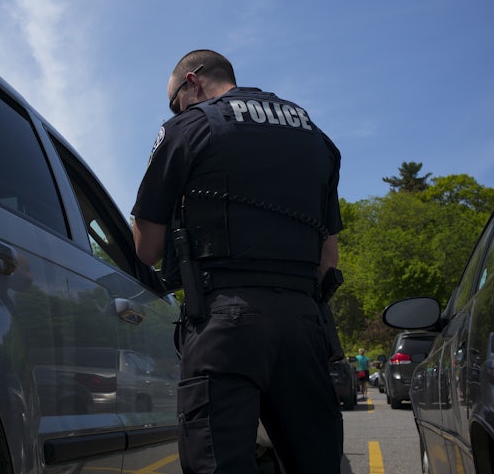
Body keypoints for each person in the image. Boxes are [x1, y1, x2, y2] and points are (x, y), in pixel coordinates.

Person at [131, 49, 344, 473]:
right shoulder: (316, 137)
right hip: (304, 323)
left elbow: (146, 249)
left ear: (191, 82)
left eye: (174, 100)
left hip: (223, 323)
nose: (175, 109)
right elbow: (328, 257)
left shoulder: (188, 127)